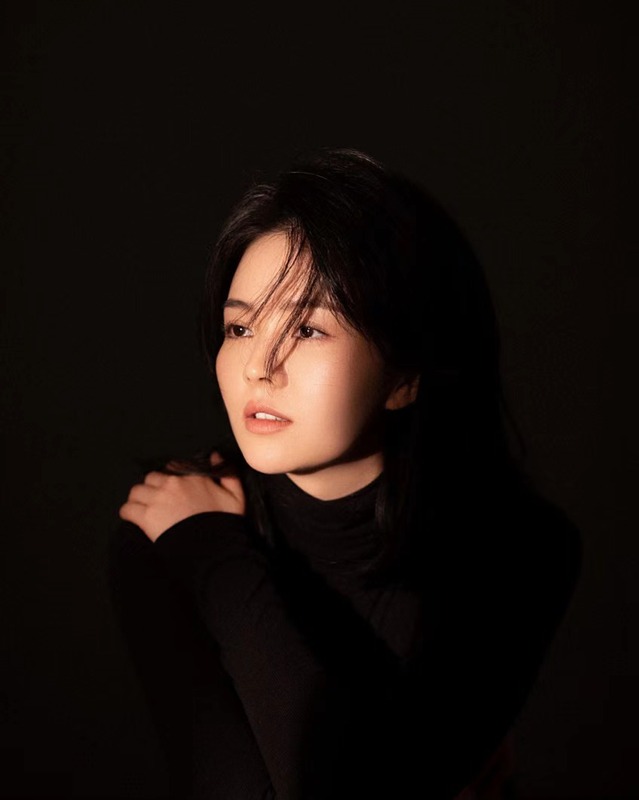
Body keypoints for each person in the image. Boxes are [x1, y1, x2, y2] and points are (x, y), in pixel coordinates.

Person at [109, 147, 582, 800]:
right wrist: (208, 551)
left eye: (307, 330)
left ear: (405, 374)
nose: (258, 367)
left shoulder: (520, 552)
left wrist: (219, 562)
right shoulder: (168, 527)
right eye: (240, 327)